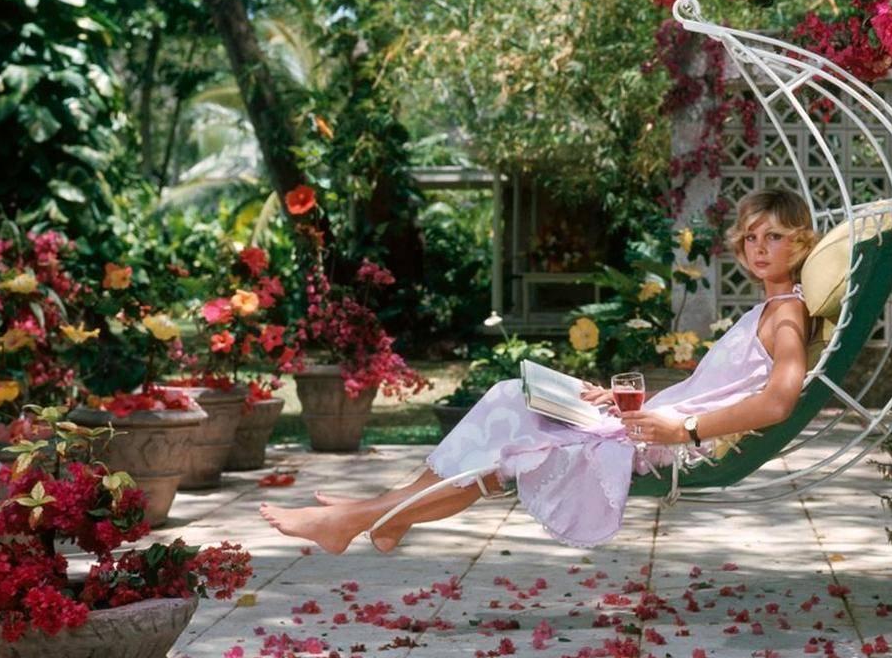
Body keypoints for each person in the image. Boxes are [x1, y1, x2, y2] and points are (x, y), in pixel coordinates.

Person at [259, 189, 814, 552]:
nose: (760, 248)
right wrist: (629, 404)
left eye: (775, 237)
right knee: (510, 397)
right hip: (651, 424)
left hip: (665, 442)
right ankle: (387, 513)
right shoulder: (768, 308)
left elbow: (778, 402)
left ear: (801, 243)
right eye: (751, 237)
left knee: (507, 443)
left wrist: (680, 429)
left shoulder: (786, 314)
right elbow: (718, 389)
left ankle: (357, 519)